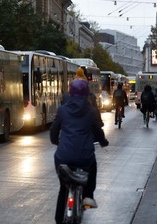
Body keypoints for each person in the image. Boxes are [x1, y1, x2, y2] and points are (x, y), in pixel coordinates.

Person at [50, 79, 109, 223]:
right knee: (93, 165)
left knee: (63, 188)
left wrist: (56, 142)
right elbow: (98, 131)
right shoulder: (91, 111)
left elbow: (53, 131)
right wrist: (103, 142)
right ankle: (88, 195)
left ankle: (59, 220)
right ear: (86, 93)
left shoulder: (62, 110)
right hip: (84, 157)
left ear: (70, 92)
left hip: (63, 158)